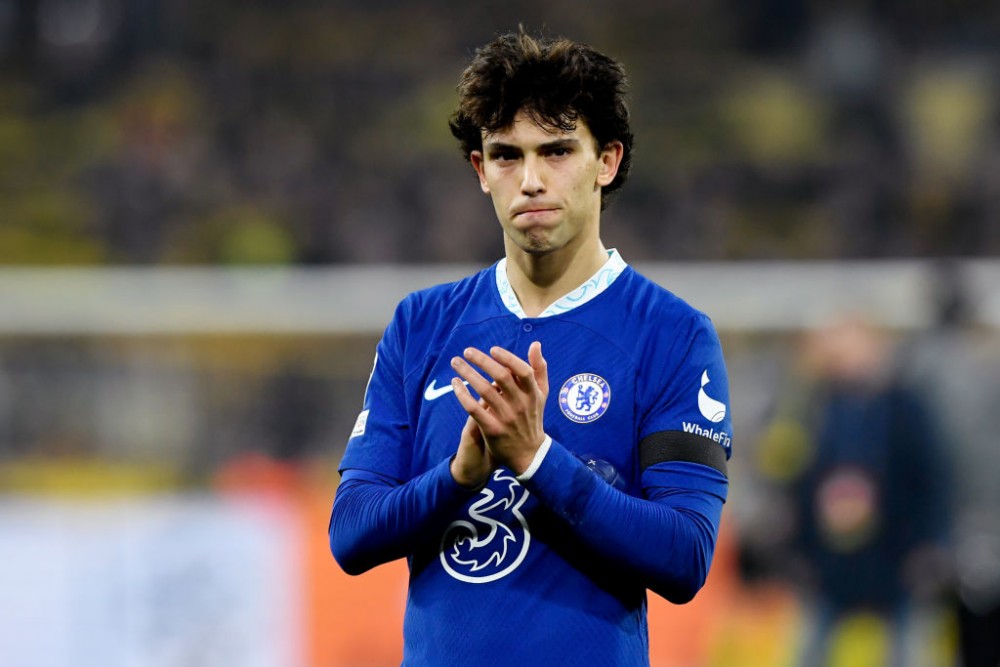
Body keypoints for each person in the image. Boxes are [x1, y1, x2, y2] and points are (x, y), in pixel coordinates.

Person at [329, 28, 733, 666]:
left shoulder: (673, 334)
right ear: (480, 171)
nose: (532, 180)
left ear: (607, 162)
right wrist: (459, 476)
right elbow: (351, 532)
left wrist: (537, 460)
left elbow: (685, 555)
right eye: (507, 156)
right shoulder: (421, 325)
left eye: (558, 151)